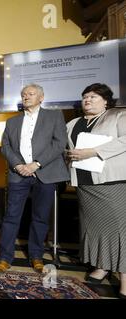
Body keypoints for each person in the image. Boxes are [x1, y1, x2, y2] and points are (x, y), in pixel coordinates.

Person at [0, 83, 69, 273]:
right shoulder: (12, 122)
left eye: (31, 94)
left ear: (41, 98)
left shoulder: (54, 116)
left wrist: (36, 164)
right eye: (23, 94)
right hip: (18, 174)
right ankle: (4, 257)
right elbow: (6, 147)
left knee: (40, 217)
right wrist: (19, 165)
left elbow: (59, 143)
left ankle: (36, 256)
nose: (26, 96)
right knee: (11, 217)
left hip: (46, 173)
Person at [66, 83, 126, 299]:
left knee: (120, 231)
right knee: (95, 229)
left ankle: (125, 278)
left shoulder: (118, 116)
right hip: (84, 183)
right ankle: (102, 267)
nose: (88, 100)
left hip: (111, 181)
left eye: (93, 97)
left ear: (105, 101)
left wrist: (93, 152)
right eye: (85, 97)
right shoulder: (73, 122)